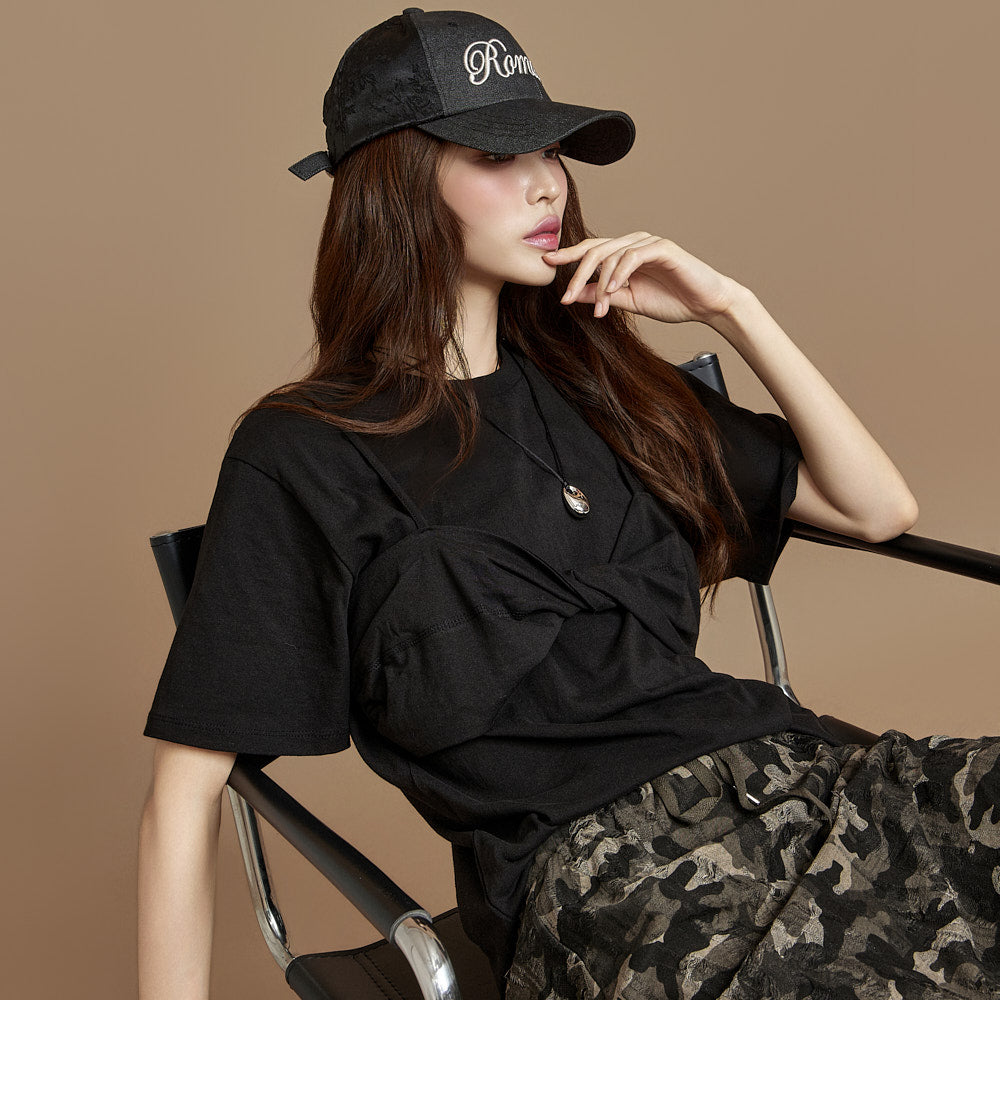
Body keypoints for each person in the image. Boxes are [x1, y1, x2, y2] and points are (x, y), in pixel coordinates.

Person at [137, 8, 999, 1000]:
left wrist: (732, 307)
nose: (547, 181)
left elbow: (877, 508)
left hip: (798, 781)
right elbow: (183, 795)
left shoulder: (601, 381)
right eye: (497, 155)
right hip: (613, 878)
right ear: (397, 184)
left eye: (548, 149)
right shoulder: (307, 451)